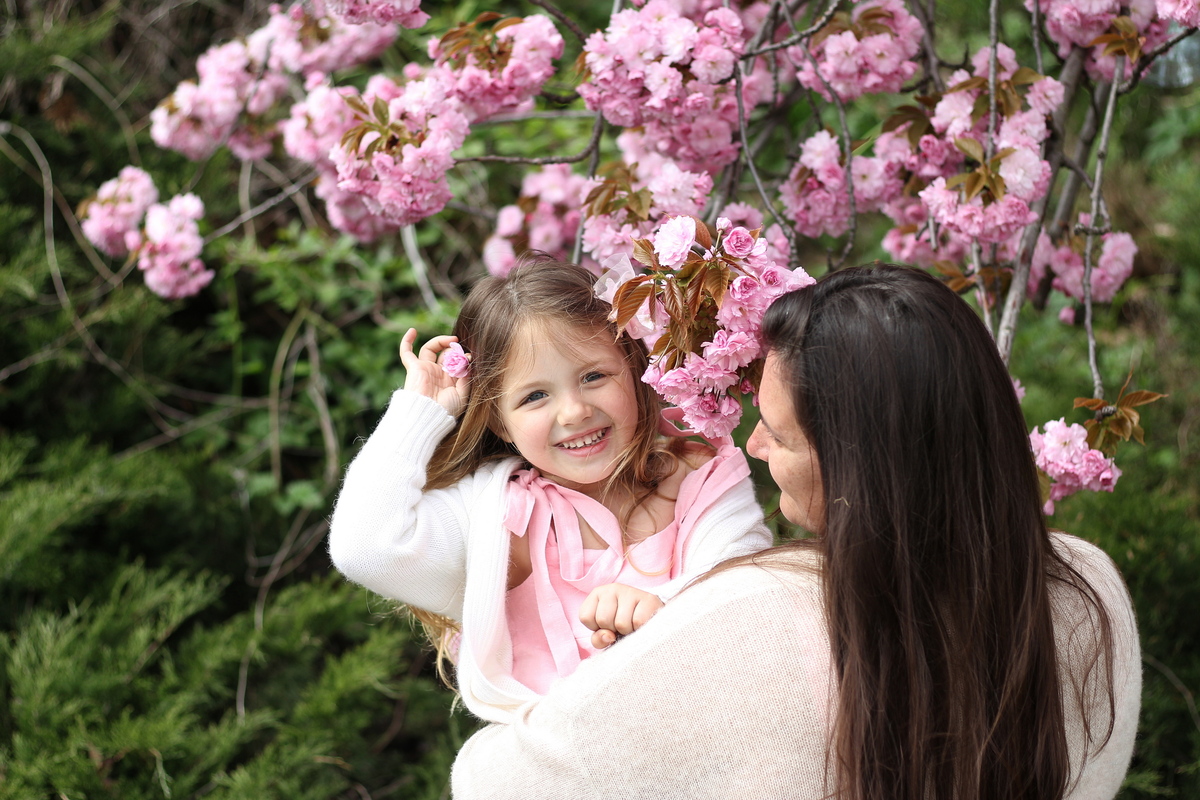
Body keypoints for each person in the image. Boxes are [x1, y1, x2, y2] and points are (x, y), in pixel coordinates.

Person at [450, 264, 1141, 800]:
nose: (752, 448)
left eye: (777, 435)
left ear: (856, 463)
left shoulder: (754, 620)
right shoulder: (1090, 586)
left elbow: (489, 779)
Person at [328, 259, 772, 723]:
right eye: (534, 396)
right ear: (500, 423)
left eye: (593, 376)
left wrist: (663, 604)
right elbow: (366, 549)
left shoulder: (697, 477)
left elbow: (745, 586)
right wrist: (420, 411)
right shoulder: (499, 516)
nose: (574, 412)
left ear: (633, 368)